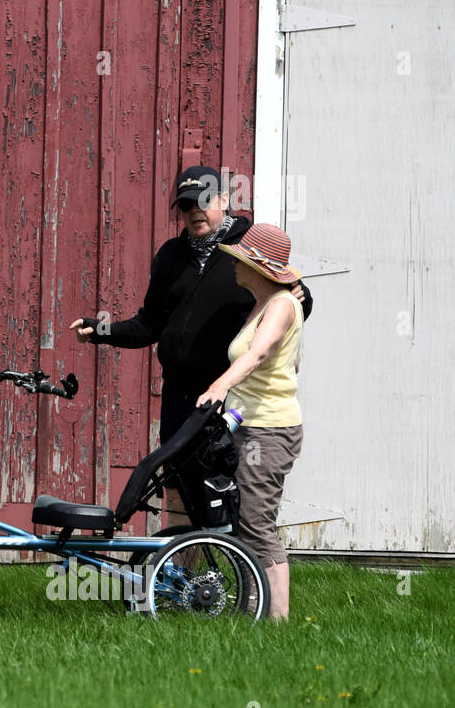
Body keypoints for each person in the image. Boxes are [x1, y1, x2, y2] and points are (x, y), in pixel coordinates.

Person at [68, 166, 313, 527]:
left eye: (204, 201)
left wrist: (304, 296)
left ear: (225, 200)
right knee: (178, 491)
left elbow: (291, 299)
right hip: (180, 399)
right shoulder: (170, 256)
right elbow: (149, 324)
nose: (195, 211)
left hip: (225, 399)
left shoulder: (248, 248)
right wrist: (101, 329)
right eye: (185, 206)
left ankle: (233, 573)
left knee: (223, 496)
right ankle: (184, 579)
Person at [195, 224, 304, 621]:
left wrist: (219, 387)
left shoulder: (280, 305)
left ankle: (278, 621)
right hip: (250, 424)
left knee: (257, 523)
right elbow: (291, 363)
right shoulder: (264, 303)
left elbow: (258, 355)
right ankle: (256, 607)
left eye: (240, 259)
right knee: (244, 522)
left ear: (259, 267)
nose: (234, 265)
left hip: (269, 430)